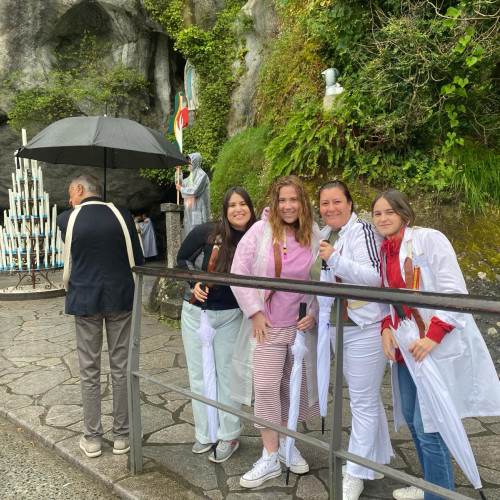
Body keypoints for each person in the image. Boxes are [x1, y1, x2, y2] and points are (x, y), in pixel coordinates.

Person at [371, 189, 500, 500]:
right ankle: (432, 481)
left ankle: (439, 494)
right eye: (377, 213)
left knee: (429, 424)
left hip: (431, 344)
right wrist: (386, 327)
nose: (383, 218)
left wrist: (434, 336)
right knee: (415, 421)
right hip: (406, 345)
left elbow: (454, 291)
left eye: (390, 211)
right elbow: (389, 296)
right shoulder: (386, 249)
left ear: (404, 213)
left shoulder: (429, 239)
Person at [230, 175, 320, 489]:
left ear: (303, 202)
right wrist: (254, 312)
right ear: (274, 202)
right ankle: (269, 455)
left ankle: (287, 445)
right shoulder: (260, 230)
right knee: (266, 388)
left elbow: (321, 282)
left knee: (290, 389)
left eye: (294, 199)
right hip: (267, 325)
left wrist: (314, 311)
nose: (288, 205)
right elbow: (238, 272)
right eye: (282, 200)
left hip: (298, 327)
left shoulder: (313, 235)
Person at [312, 181, 392, 500]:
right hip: (337, 327)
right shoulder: (326, 234)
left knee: (362, 401)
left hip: (365, 327)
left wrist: (335, 259)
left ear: (349, 203)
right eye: (325, 203)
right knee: (365, 399)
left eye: (337, 202)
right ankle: (374, 462)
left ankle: (356, 472)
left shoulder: (362, 232)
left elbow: (374, 277)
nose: (330, 208)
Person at [57, 174, 144, 458]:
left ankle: (92, 439)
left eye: (71, 194)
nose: (70, 200)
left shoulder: (66, 219)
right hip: (120, 297)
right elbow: (139, 260)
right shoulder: (123, 215)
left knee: (89, 370)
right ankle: (121, 437)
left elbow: (72, 257)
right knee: (120, 367)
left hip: (84, 299)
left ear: (80, 189)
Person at [177, 186, 257, 463]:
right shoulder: (207, 232)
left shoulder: (257, 235)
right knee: (199, 376)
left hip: (232, 313)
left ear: (251, 207)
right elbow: (182, 258)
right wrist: (194, 281)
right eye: (232, 205)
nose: (238, 209)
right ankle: (205, 433)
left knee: (227, 376)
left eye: (243, 204)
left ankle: (229, 434)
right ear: (224, 210)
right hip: (196, 312)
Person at [175, 152, 210, 235]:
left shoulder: (202, 175)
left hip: (199, 210)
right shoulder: (190, 176)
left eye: (190, 162)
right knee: (189, 234)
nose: (188, 164)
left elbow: (195, 191)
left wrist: (181, 188)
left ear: (195, 161)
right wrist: (178, 173)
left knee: (199, 234)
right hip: (189, 210)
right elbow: (180, 184)